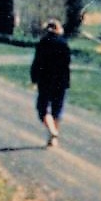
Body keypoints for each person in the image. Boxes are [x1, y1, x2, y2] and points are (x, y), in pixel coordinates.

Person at [30, 19, 71, 147]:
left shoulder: (42, 43)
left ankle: (52, 131)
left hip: (45, 81)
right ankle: (53, 138)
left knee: (42, 109)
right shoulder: (64, 44)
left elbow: (36, 63)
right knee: (56, 111)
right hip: (61, 81)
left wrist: (34, 78)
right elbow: (67, 64)